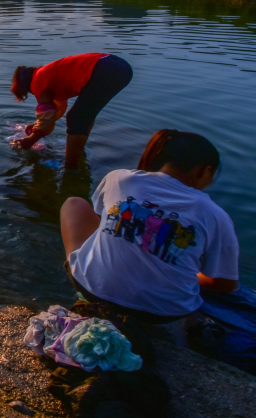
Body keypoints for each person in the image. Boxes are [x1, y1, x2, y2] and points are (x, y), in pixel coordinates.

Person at [60, 129, 239, 323]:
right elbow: (226, 284)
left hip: (92, 289)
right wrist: (188, 271)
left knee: (74, 204)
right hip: (165, 313)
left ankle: (99, 273)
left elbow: (100, 219)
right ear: (203, 171)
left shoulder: (119, 178)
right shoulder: (214, 214)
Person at [11, 53, 133, 169]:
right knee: (83, 116)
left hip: (105, 68)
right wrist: (37, 125)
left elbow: (48, 115)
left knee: (77, 118)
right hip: (120, 67)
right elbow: (58, 109)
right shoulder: (45, 74)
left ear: (25, 86)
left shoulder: (37, 82)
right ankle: (78, 153)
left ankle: (70, 167)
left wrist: (31, 139)